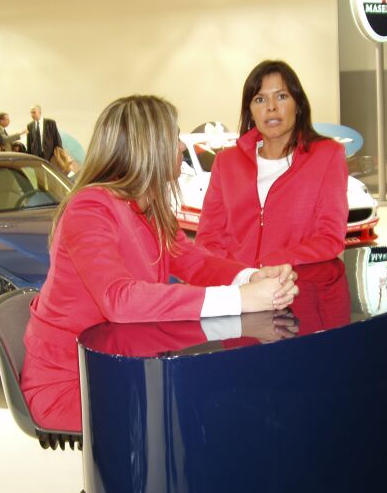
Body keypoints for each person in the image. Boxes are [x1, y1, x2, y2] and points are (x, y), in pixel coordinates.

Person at [21, 95, 299, 424]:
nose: (181, 145)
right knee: (209, 411)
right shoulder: (89, 208)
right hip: (75, 381)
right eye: (173, 136)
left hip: (126, 366)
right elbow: (119, 300)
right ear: (147, 146)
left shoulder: (147, 205)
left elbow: (193, 261)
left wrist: (250, 278)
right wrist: (239, 299)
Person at [195, 60, 349, 267]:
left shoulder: (328, 156)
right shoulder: (226, 163)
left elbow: (330, 239)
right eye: (260, 99)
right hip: (238, 287)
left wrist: (271, 264)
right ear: (250, 111)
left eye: (282, 96)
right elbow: (208, 238)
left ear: (299, 106)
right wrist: (240, 275)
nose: (271, 107)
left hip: (296, 286)